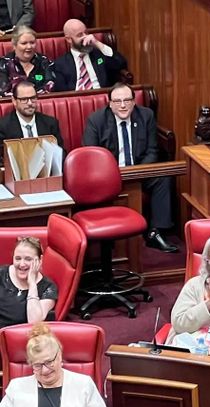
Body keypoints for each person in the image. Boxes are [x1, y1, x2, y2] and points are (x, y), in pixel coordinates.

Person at [82, 83, 179, 253]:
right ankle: (108, 238)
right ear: (110, 104)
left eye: (127, 100)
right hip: (108, 177)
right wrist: (114, 175)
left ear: (134, 102)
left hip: (138, 171)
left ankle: (156, 233)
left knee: (163, 178)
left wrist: (137, 173)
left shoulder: (146, 116)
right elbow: (91, 156)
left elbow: (152, 150)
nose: (122, 105)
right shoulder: (96, 120)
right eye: (117, 101)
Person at [0, 80, 64, 167]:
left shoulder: (50, 123)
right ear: (14, 101)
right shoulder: (3, 127)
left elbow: (61, 154)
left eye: (33, 98)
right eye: (24, 99)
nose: (30, 103)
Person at [54, 19, 128, 92]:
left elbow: (120, 63)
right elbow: (61, 93)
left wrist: (97, 43)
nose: (85, 37)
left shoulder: (99, 55)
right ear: (68, 39)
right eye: (80, 35)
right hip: (76, 98)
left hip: (102, 96)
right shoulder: (60, 64)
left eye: (86, 33)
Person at [0, 236, 56, 328]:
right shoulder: (1, 273)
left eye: (28, 259)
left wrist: (32, 284)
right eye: (18, 258)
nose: (22, 264)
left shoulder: (48, 287)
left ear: (40, 260)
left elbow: (34, 323)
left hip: (16, 335)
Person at [0, 26, 55, 96]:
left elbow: (50, 86)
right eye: (24, 43)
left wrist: (31, 98)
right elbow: (3, 91)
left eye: (32, 43)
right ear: (14, 45)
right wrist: (24, 99)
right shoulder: (3, 64)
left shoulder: (45, 62)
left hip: (40, 101)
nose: (29, 47)